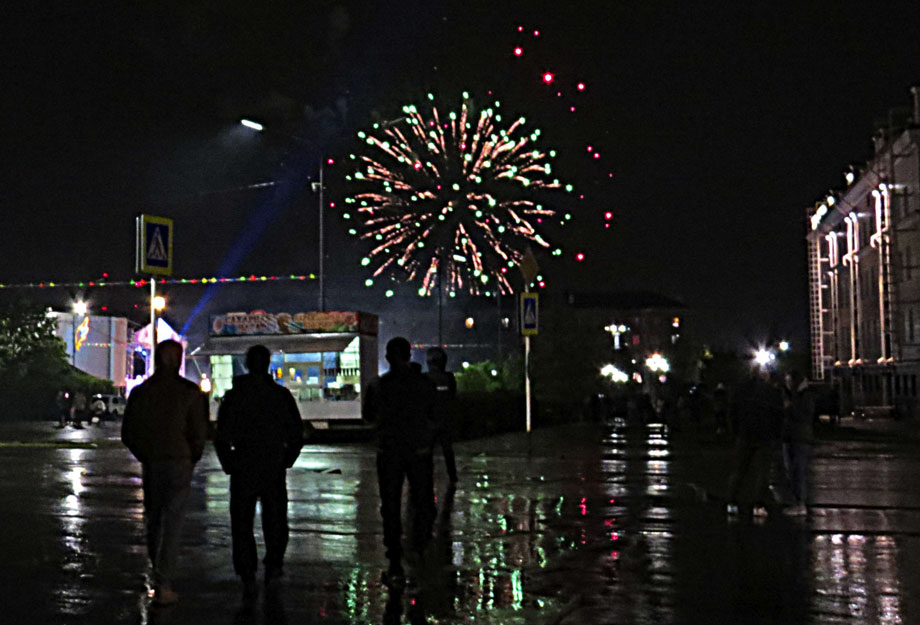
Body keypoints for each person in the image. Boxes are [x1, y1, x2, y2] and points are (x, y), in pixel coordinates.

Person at [215, 345, 304, 602]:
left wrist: (228, 462)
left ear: (246, 364)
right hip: (272, 465)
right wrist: (287, 459)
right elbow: (296, 432)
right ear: (267, 364)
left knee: (242, 522)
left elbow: (222, 434)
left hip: (243, 464)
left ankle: (247, 571)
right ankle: (273, 565)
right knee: (275, 519)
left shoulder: (235, 396)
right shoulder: (280, 395)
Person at [121, 340, 208, 605]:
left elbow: (128, 433)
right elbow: (199, 433)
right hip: (179, 461)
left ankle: (157, 573)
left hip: (153, 462)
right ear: (179, 360)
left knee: (154, 519)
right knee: (173, 522)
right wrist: (191, 456)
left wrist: (145, 454)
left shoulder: (142, 392)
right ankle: (164, 580)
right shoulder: (190, 392)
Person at [363, 337, 437, 586]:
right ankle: (420, 545)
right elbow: (434, 414)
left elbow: (368, 417)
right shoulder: (424, 384)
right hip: (418, 450)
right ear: (409, 355)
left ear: (387, 357)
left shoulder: (378, 386)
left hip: (389, 451)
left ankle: (394, 553)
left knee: (391, 503)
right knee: (422, 499)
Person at [725, 367, 784, 518]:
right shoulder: (771, 392)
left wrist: (735, 431)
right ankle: (758, 505)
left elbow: (732, 411)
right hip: (764, 436)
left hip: (744, 434)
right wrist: (776, 435)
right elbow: (778, 415)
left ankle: (731, 502)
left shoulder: (741, 389)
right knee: (762, 473)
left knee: (739, 470)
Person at [781, 370, 814, 516]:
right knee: (792, 472)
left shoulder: (805, 396)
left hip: (799, 438)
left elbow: (803, 415)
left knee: (798, 471)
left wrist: (789, 407)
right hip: (791, 437)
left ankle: (800, 503)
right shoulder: (795, 395)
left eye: (789, 381)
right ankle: (797, 501)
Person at [425, 347, 458, 485]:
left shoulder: (425, 378)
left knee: (427, 452)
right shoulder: (449, 378)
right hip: (445, 419)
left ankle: (426, 476)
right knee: (447, 450)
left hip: (430, 421)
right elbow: (453, 397)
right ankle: (452, 475)